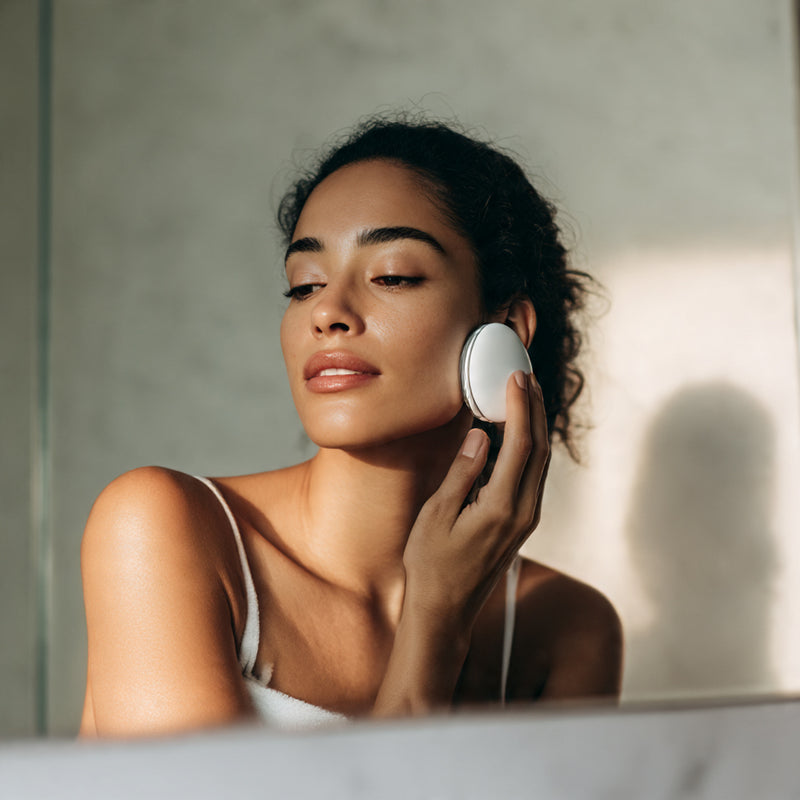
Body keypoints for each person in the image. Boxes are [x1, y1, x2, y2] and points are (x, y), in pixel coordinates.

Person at [79, 115, 623, 737]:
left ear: (506, 328)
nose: (328, 312)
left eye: (392, 275)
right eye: (303, 285)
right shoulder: (163, 526)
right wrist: (434, 622)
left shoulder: (563, 628)